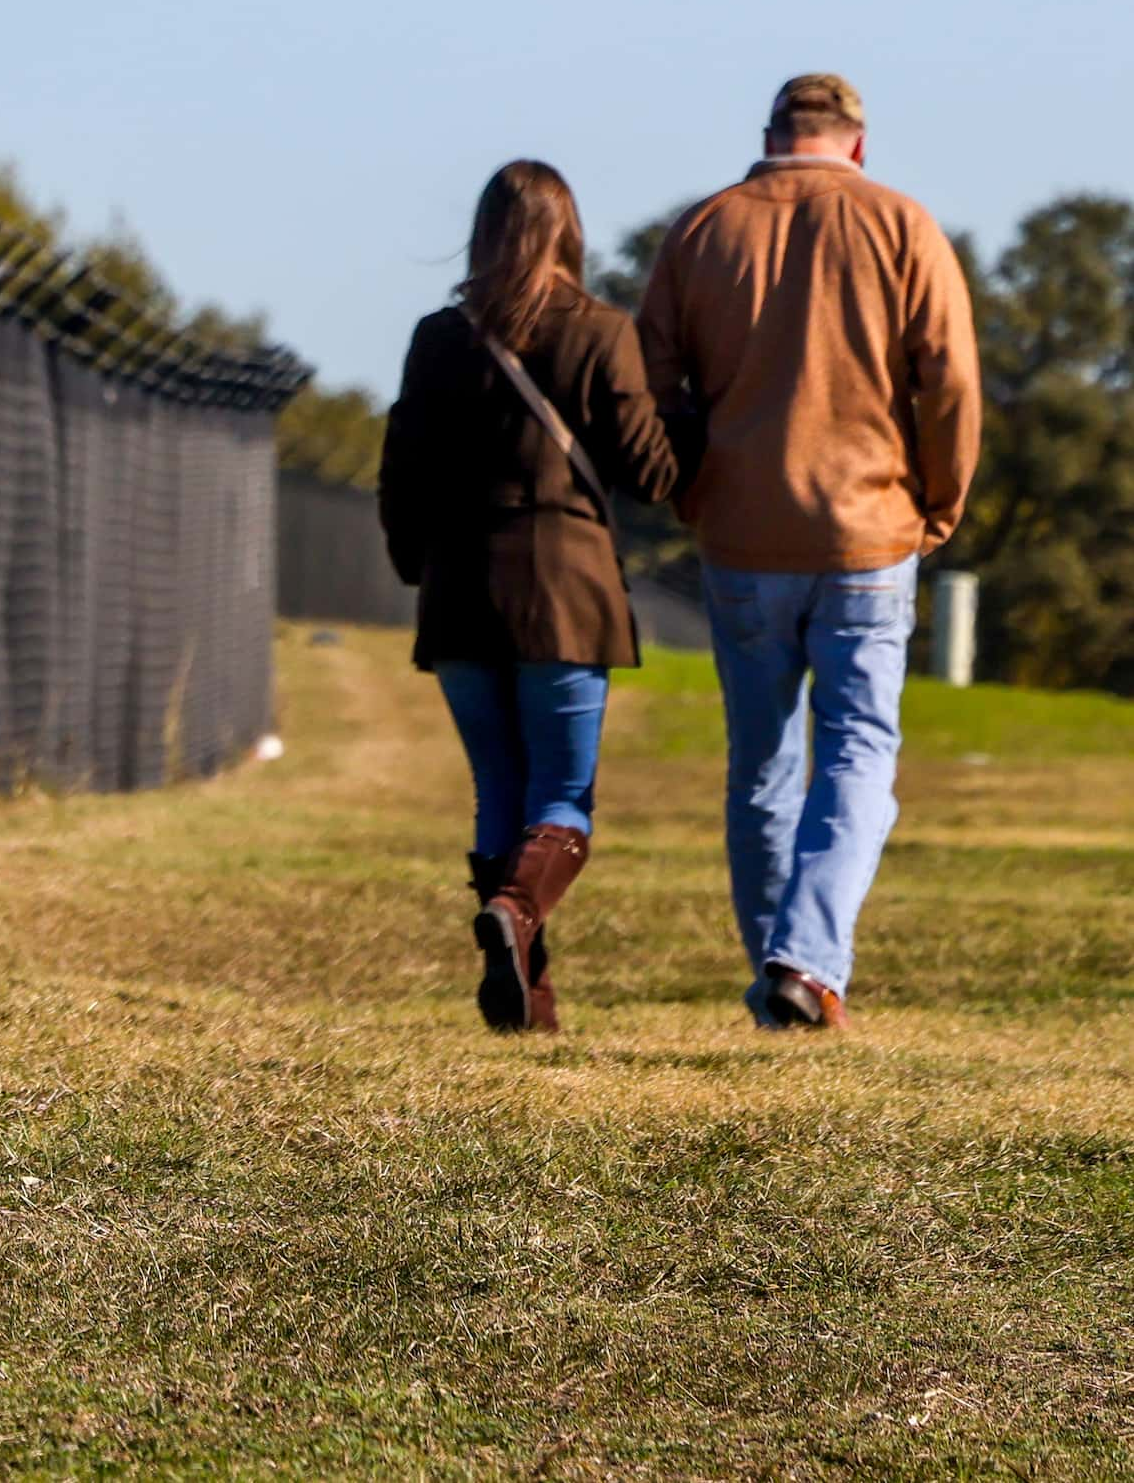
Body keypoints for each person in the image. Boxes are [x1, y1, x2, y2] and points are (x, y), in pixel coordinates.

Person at [636, 74, 980, 1032]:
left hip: (741, 532)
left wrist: (687, 491)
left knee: (760, 764)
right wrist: (939, 501)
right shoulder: (903, 226)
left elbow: (650, 384)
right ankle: (805, 959)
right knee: (859, 750)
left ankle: (782, 978)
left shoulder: (700, 230)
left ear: (770, 136)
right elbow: (949, 378)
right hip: (869, 530)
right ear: (856, 145)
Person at [381, 161, 681, 1033]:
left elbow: (400, 468)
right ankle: (513, 915)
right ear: (567, 233)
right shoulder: (599, 332)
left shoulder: (438, 337)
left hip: (460, 587)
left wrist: (415, 566)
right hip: (564, 589)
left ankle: (528, 1002)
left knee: (495, 788)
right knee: (560, 791)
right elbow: (649, 473)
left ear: (482, 233)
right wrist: (688, 420)